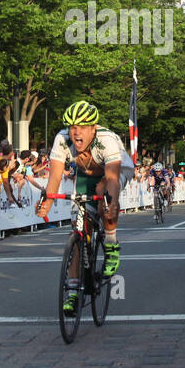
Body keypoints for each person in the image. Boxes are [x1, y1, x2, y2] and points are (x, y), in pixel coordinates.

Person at [35, 101, 134, 314]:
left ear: (93, 128)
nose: (75, 132)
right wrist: (48, 200)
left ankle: (110, 244)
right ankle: (72, 293)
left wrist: (111, 203)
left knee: (104, 196)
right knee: (78, 233)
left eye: (81, 127)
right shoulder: (62, 139)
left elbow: (112, 179)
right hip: (84, 174)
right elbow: (55, 175)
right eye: (72, 127)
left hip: (115, 172)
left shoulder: (106, 140)